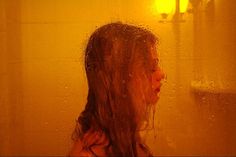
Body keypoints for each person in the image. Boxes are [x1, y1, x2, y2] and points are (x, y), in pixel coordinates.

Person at [68, 22, 165, 157]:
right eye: (151, 67)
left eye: (156, 65)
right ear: (120, 79)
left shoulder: (127, 135)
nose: (161, 74)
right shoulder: (90, 153)